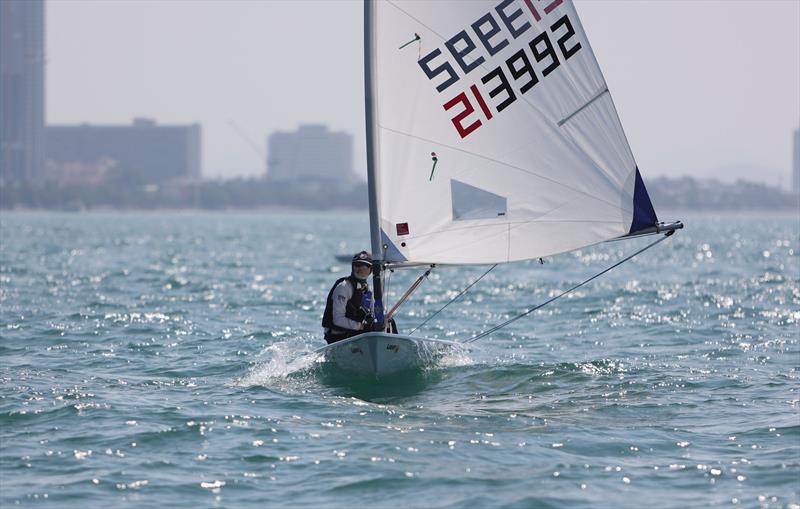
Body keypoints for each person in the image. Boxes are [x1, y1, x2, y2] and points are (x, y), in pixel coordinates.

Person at [321, 251, 375, 344]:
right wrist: (361, 327)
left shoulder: (367, 290)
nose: (359, 269)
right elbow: (338, 320)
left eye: (364, 266)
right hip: (337, 337)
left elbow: (374, 312)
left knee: (388, 323)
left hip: (354, 334)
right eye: (357, 265)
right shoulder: (344, 287)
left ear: (371, 270)